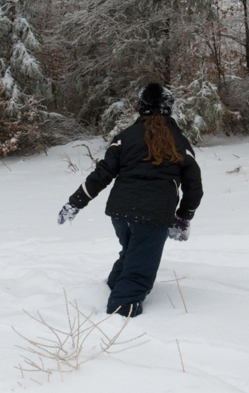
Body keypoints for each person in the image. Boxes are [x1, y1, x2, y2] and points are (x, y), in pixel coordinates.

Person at [57, 83, 203, 317]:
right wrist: (182, 219)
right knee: (140, 267)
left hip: (121, 213)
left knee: (132, 252)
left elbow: (101, 174)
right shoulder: (180, 142)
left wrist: (75, 202)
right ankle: (122, 309)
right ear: (168, 108)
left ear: (140, 107)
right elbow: (194, 187)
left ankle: (111, 286)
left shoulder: (125, 138)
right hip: (154, 216)